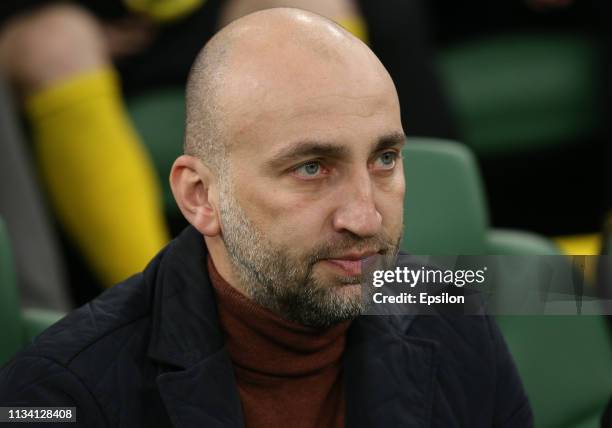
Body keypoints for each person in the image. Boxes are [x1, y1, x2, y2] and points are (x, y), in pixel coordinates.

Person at [0, 9, 532, 427]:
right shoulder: (59, 394)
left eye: (384, 159)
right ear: (200, 197)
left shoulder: (451, 309)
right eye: (310, 168)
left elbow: (562, 287)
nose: (365, 217)